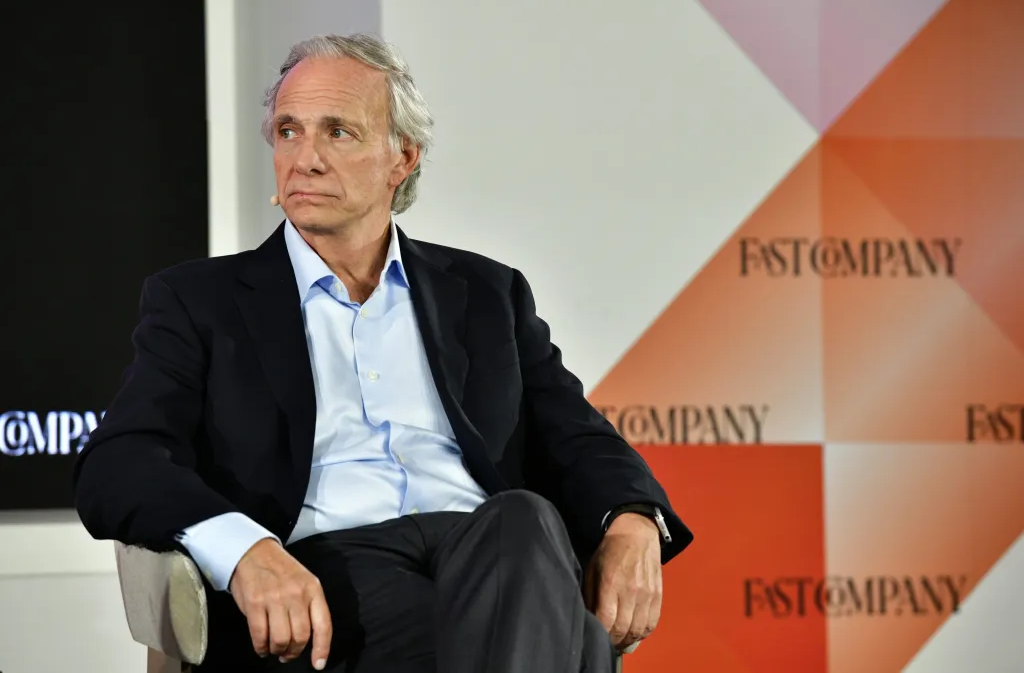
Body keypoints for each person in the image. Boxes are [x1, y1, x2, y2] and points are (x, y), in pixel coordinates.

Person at [73, 33, 692, 673]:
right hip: (325, 578)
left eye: (338, 132)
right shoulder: (199, 301)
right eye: (288, 131)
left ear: (403, 158)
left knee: (524, 520)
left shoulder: (485, 294)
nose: (305, 159)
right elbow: (120, 462)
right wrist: (245, 551)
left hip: (490, 556)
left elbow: (581, 438)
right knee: (566, 639)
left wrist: (633, 520)